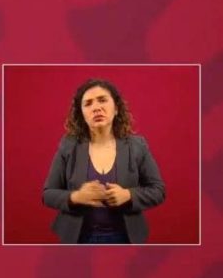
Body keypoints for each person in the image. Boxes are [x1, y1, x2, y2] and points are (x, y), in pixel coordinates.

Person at [42, 79, 165, 244]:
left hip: (126, 238)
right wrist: (76, 196)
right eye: (88, 104)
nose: (96, 108)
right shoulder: (68, 146)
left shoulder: (137, 145)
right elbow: (48, 194)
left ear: (116, 109)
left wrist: (128, 195)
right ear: (81, 114)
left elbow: (158, 190)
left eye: (102, 100)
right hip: (78, 239)